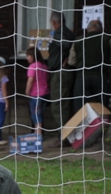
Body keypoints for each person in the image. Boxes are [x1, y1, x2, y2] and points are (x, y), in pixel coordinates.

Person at [47, 12, 75, 145]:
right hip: (65, 72)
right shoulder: (69, 33)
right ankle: (66, 136)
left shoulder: (60, 34)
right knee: (64, 104)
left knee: (58, 105)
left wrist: (66, 58)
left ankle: (64, 138)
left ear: (54, 22)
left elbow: (66, 45)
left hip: (60, 73)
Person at [72, 20, 111, 110]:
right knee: (101, 108)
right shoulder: (105, 40)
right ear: (100, 30)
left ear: (87, 29)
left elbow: (71, 61)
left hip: (82, 77)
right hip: (100, 77)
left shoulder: (78, 40)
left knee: (81, 109)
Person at [25, 46, 49, 138]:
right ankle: (37, 133)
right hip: (45, 93)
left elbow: (30, 80)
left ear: (33, 56)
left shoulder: (32, 66)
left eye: (29, 56)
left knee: (36, 115)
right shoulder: (44, 66)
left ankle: (38, 136)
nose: (27, 58)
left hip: (36, 94)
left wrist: (27, 92)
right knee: (40, 114)